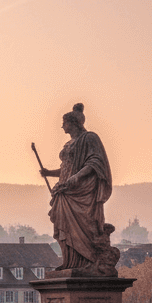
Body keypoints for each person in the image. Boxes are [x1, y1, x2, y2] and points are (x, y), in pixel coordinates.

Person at [38, 103, 114, 274]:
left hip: (82, 192)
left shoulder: (89, 138)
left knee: (85, 225)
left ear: (74, 123)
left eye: (64, 123)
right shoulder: (70, 144)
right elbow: (67, 168)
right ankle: (70, 262)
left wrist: (76, 178)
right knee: (61, 222)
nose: (62, 126)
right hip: (65, 190)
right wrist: (49, 172)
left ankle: (88, 262)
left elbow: (94, 162)